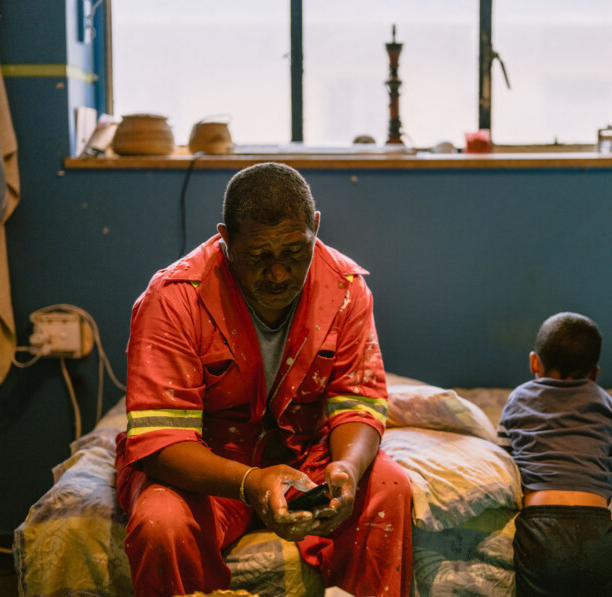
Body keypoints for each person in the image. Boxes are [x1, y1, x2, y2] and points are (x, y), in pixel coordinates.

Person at [115, 162, 413, 597]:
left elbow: (358, 401)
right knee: (161, 524)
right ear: (226, 238)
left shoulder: (346, 288)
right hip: (208, 466)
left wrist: (347, 467)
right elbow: (161, 442)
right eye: (258, 256)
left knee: (390, 487)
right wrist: (248, 483)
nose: (278, 274)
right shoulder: (173, 299)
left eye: (294, 252)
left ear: (315, 227)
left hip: (306, 457)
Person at [497, 312, 612, 597]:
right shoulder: (603, 400)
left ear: (534, 362)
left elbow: (504, 450)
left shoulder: (519, 397)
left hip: (540, 524)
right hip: (596, 523)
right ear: (594, 374)